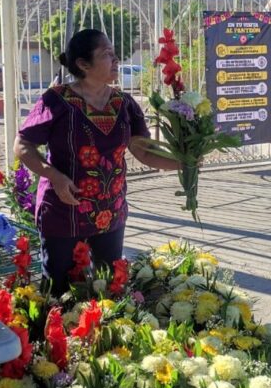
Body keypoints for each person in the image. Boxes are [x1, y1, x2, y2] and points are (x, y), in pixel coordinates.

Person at [14, 29, 180, 294]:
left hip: (110, 213)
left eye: (115, 54)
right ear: (82, 64)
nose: (116, 60)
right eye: (107, 55)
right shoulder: (55, 101)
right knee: (59, 288)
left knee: (109, 286)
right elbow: (22, 145)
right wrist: (55, 177)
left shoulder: (124, 104)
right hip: (63, 211)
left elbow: (144, 152)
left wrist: (186, 162)